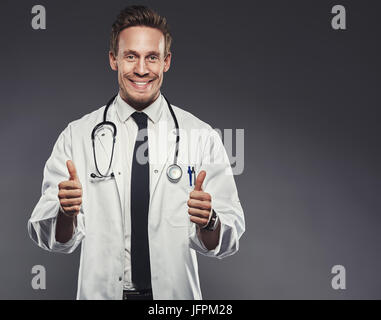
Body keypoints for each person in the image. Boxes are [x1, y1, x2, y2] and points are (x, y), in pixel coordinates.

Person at [28, 5, 245, 300]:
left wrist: (210, 221)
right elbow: (50, 238)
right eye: (131, 56)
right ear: (113, 60)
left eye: (151, 57)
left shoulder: (201, 136)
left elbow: (228, 237)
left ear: (166, 61)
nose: (141, 69)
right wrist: (66, 214)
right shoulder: (77, 136)